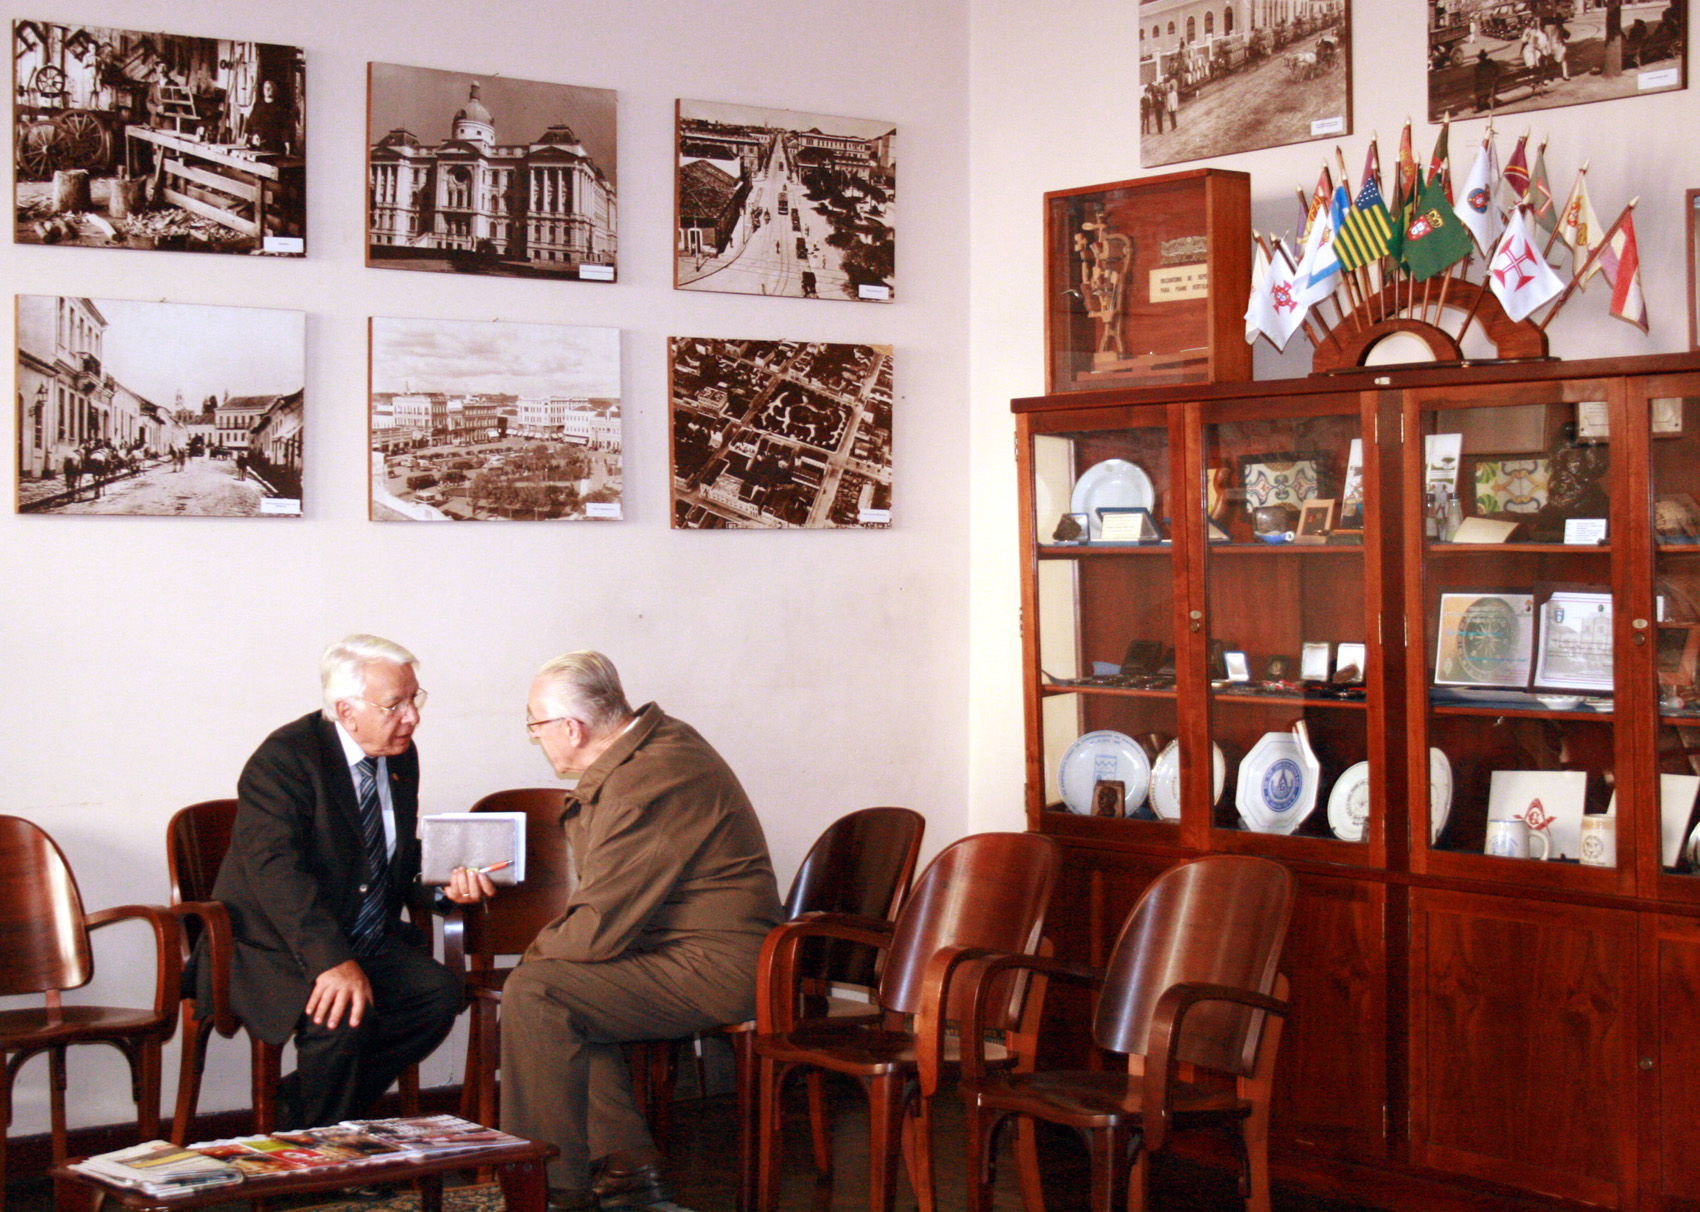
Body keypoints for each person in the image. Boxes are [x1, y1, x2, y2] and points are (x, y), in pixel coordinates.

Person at [450, 652, 782, 1211]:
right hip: (686, 951)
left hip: (723, 965)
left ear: (571, 729)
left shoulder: (643, 784)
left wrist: (531, 962)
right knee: (560, 993)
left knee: (538, 992)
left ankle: (549, 1190)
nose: (535, 734)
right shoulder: (657, 745)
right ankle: (628, 1169)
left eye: (535, 723)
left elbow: (600, 926)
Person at [198, 635, 469, 1130]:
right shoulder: (284, 761)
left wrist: (441, 888)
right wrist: (331, 960)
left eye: (415, 699)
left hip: (361, 939)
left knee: (438, 995)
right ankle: (322, 1162)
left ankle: (301, 1114)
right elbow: (274, 872)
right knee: (344, 1015)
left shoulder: (399, 755)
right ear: (346, 711)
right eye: (396, 704)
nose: (412, 716)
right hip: (274, 944)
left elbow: (393, 860)